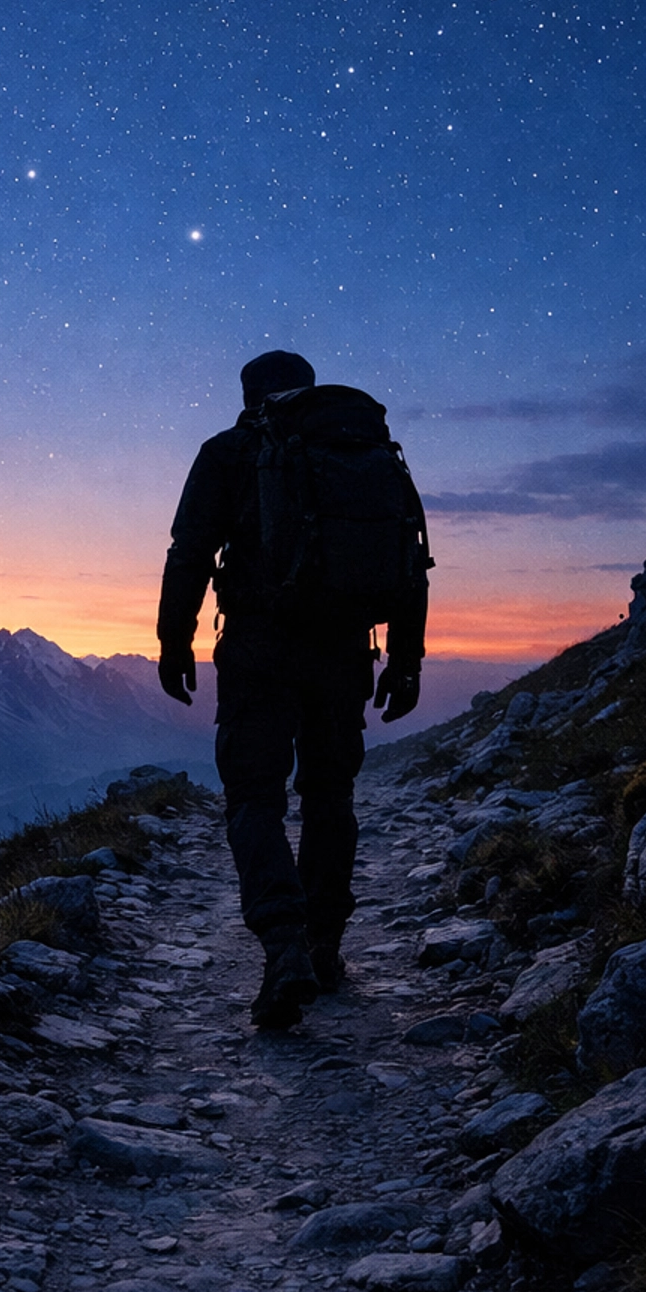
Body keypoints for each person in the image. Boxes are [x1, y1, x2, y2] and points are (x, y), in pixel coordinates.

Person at [156, 349, 428, 1030]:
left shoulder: (228, 452)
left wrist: (174, 642)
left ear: (248, 395)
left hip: (259, 650)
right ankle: (324, 946)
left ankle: (283, 947)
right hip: (344, 651)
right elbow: (411, 560)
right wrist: (406, 660)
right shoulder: (368, 455)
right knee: (331, 795)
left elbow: (189, 552)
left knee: (254, 798)